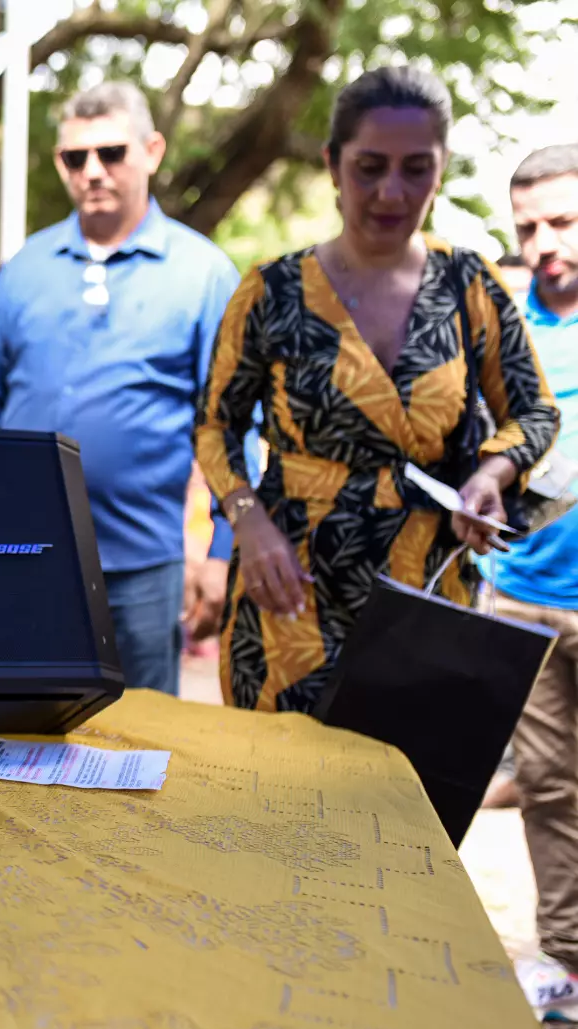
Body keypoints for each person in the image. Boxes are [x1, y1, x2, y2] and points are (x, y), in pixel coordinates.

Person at [195, 67, 558, 714]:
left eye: (416, 168)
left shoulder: (469, 285)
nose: (391, 191)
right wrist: (248, 524)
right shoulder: (271, 291)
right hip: (290, 591)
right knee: (282, 797)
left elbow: (532, 412)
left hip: (425, 589)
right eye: (369, 167)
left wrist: (491, 475)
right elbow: (216, 426)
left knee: (409, 794)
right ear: (333, 165)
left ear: (440, 170)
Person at [0, 81, 240, 695]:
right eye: (74, 157)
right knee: (18, 746)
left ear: (152, 151)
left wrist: (222, 552)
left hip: (142, 567)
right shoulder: (25, 269)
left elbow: (233, 426)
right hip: (20, 556)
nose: (92, 171)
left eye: (112, 153)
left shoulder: (204, 273)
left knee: (140, 759)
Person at [480, 144, 578, 1010]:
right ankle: (566, 961)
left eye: (563, 221)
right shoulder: (503, 327)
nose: (545, 242)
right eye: (529, 226)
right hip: (525, 590)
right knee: (548, 785)